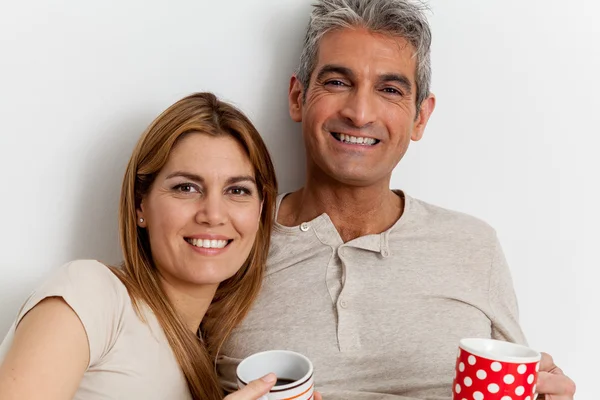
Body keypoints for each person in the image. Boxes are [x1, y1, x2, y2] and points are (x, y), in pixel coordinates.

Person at [217, 1, 576, 399]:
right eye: (337, 82)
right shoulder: (227, 239)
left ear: (420, 117)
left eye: (389, 90)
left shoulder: (473, 245)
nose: (359, 112)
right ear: (298, 97)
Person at [0, 92, 292, 400]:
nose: (214, 215)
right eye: (186, 187)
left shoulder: (210, 360)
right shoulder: (91, 295)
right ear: (141, 206)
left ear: (260, 211)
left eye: (237, 190)